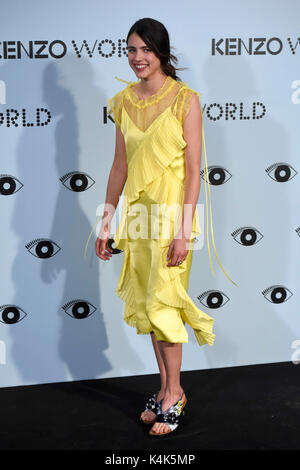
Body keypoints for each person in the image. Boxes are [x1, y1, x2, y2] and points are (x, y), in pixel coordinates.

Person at [91, 17, 237, 437]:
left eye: (145, 50)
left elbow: (194, 172)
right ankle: (167, 388)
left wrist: (184, 230)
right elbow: (119, 167)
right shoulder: (121, 101)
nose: (138, 58)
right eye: (132, 50)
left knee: (164, 304)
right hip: (138, 219)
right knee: (151, 308)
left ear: (162, 52)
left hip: (173, 217)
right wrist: (105, 223)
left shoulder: (185, 100)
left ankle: (173, 394)